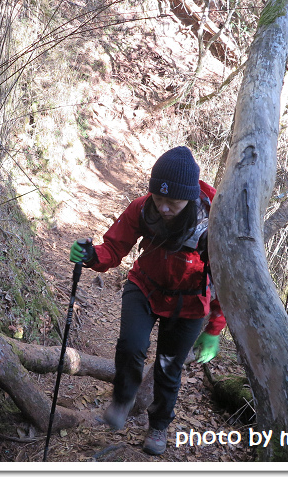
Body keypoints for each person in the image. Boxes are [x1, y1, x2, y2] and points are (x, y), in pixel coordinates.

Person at [69, 146, 226, 456]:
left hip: (189, 305)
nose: (164, 207)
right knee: (130, 345)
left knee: (169, 367)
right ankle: (123, 399)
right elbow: (113, 249)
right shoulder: (142, 208)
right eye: (159, 198)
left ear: (190, 196)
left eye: (173, 202)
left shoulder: (211, 225)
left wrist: (214, 328)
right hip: (145, 287)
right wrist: (90, 256)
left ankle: (158, 425)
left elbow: (225, 279)